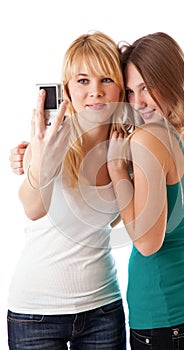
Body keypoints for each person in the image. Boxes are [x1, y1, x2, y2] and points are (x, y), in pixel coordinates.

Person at [7, 31, 128, 350]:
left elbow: (114, 220)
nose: (96, 92)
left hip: (103, 308)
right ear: (67, 88)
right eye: (83, 81)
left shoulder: (127, 146)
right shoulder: (49, 138)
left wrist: (120, 170)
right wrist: (41, 162)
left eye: (106, 79)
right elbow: (33, 208)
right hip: (36, 315)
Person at [107, 32, 184, 349]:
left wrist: (118, 170)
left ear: (173, 78)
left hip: (165, 313)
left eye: (147, 87)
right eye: (130, 91)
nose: (138, 102)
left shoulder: (150, 139)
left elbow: (147, 243)